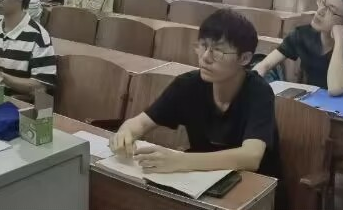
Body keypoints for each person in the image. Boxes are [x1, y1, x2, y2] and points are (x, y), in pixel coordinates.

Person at [110, 10, 284, 186]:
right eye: (203, 46)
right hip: (199, 180)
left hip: (253, 185)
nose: (205, 57)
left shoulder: (259, 91)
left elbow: (251, 157)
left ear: (244, 58)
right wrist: (125, 133)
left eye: (218, 51)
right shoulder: (187, 85)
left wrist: (179, 161)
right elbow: (141, 123)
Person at [254, 0, 343, 96]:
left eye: (331, 10)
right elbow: (265, 65)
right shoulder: (303, 35)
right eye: (323, 2)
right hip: (313, 103)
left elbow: (335, 89)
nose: (320, 11)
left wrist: (340, 40)